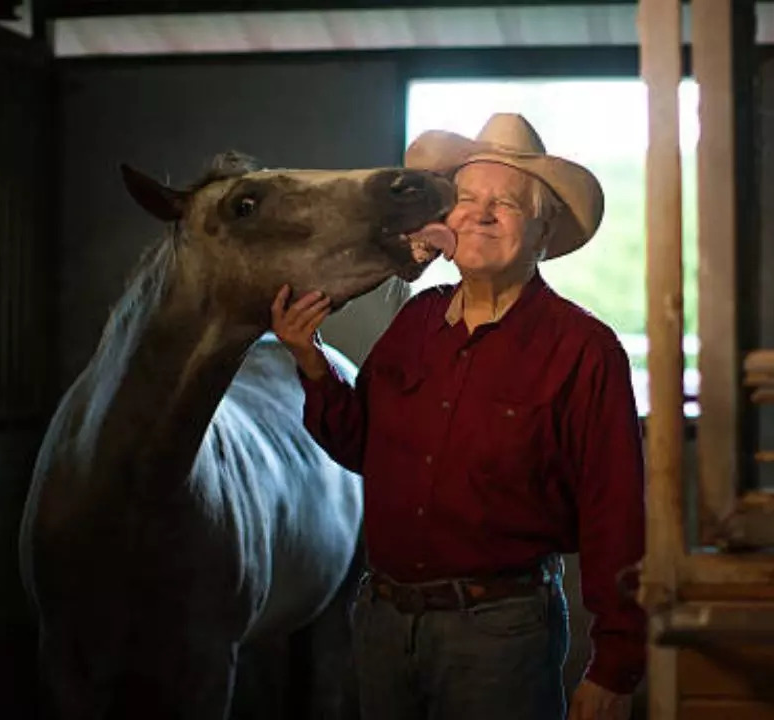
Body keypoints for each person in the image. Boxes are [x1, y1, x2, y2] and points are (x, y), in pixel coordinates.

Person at [271, 112, 646, 720]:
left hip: (500, 634)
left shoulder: (584, 349)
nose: (482, 213)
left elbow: (617, 510)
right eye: (466, 198)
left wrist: (616, 665)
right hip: (384, 623)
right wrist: (310, 361)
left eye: (507, 203)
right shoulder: (416, 323)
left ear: (543, 230)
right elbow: (362, 448)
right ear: (446, 222)